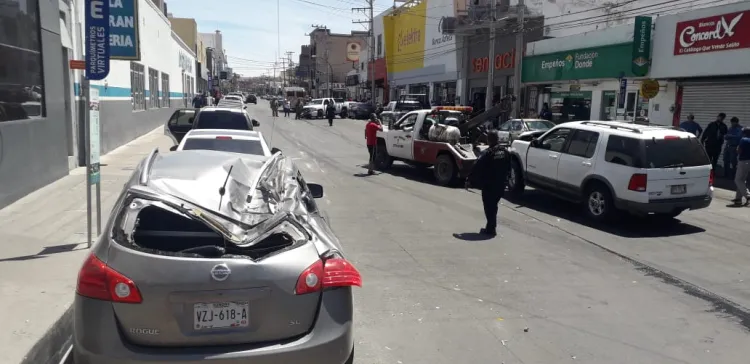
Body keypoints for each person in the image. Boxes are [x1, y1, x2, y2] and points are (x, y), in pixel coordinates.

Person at [465, 131, 511, 236]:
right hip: (501, 185)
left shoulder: (488, 152)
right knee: (493, 205)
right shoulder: (505, 151)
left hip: (489, 185)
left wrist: (469, 180)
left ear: (489, 140)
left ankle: (491, 228)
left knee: (489, 206)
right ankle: (491, 226)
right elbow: (509, 166)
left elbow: (476, 166)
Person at [732, 127, 750, 206]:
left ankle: (748, 195)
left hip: (743, 161)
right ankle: (738, 199)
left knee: (738, 180)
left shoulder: (744, 140)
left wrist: (737, 149)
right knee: (742, 180)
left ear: (744, 133)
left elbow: (739, 151)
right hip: (749, 162)